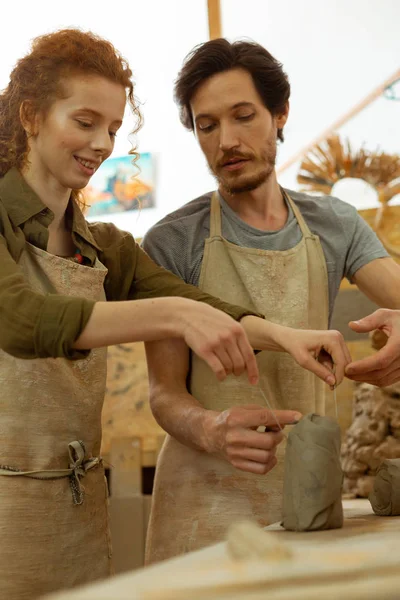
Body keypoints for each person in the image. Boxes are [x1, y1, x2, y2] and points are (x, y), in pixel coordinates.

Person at [0, 29, 352, 600]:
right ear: (32, 115)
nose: (102, 144)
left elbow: (202, 305)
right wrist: (171, 316)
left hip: (76, 503)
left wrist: (284, 336)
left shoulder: (106, 247)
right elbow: (20, 321)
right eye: (85, 122)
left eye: (113, 128)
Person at [142, 38, 400, 563]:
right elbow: (163, 393)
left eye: (243, 117)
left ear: (280, 113)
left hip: (306, 491)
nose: (227, 141)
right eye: (207, 125)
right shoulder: (174, 240)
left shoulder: (335, 224)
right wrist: (212, 430)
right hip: (203, 499)